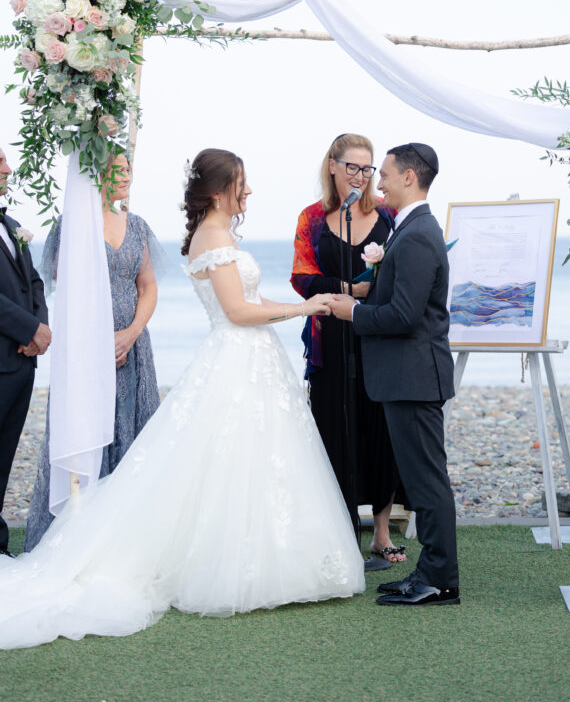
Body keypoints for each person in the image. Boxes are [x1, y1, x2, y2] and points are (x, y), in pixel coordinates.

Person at [0, 148, 364, 650]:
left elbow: (234, 302)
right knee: (226, 462)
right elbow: (238, 310)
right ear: (218, 191)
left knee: (247, 462)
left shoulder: (216, 234)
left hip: (249, 360)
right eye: (242, 182)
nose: (250, 191)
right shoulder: (213, 238)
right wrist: (306, 306)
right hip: (236, 356)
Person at [329, 143, 460, 606]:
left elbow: (405, 316)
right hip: (405, 377)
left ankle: (440, 581)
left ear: (409, 177)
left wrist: (354, 313)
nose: (376, 181)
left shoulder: (420, 233)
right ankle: (430, 571)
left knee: (426, 482)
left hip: (414, 377)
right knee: (422, 479)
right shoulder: (410, 230)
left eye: (383, 174)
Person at [25, 154, 166, 549]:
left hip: (134, 351)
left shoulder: (137, 226)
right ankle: (82, 541)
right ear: (95, 174)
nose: (124, 177)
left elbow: (148, 287)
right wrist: (97, 341)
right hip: (88, 354)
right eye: (115, 170)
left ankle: (132, 541)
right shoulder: (72, 226)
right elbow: (65, 292)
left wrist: (131, 333)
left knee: (135, 436)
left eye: (128, 170)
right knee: (89, 433)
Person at [291, 133, 405, 565]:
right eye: (352, 167)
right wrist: (347, 289)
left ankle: (380, 531)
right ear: (333, 167)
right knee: (333, 430)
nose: (360, 176)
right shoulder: (313, 218)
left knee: (381, 431)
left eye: (368, 168)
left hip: (378, 335)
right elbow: (302, 277)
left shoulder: (389, 216)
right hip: (329, 340)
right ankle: (338, 532)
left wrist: (370, 294)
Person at [0, 146, 50, 558]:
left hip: (21, 362)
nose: (9, 168)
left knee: (5, 456)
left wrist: (41, 329)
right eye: (0, 161)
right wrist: (29, 327)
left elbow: (33, 282)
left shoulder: (12, 223)